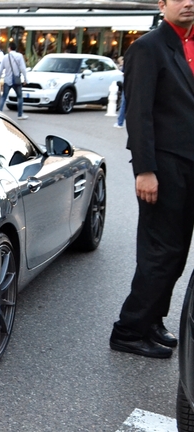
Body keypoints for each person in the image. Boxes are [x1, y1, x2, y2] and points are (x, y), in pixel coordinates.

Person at [109, 0, 194, 359]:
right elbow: (139, 113)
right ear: (162, 5)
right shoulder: (147, 47)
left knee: (176, 255)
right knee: (160, 254)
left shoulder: (189, 45)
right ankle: (128, 330)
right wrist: (145, 171)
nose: (188, 2)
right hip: (165, 167)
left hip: (190, 166)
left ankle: (152, 321)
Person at [0, 42, 28, 120]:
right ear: (15, 48)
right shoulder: (19, 56)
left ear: (9, 48)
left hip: (7, 79)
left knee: (3, 97)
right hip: (16, 80)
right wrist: (25, 79)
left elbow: (0, 70)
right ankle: (20, 114)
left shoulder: (5, 57)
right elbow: (23, 69)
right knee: (20, 97)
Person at [114, 56, 126, 129]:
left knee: (124, 103)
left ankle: (120, 122)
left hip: (128, 84)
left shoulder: (128, 63)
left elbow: (123, 73)